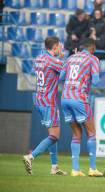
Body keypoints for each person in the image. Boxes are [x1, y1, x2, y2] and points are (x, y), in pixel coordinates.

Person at [22, 36, 67, 176]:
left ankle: (54, 167)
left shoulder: (39, 58)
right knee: (55, 136)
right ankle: (31, 156)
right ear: (55, 47)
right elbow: (65, 74)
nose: (61, 47)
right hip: (49, 102)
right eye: (59, 45)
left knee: (52, 133)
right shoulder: (52, 61)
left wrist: (59, 58)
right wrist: (62, 57)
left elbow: (53, 75)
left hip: (39, 99)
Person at [60, 38, 103, 177]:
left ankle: (75, 169)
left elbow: (61, 77)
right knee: (91, 133)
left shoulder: (71, 58)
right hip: (79, 98)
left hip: (65, 98)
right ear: (93, 48)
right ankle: (92, 168)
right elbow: (95, 82)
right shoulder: (93, 59)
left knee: (76, 134)